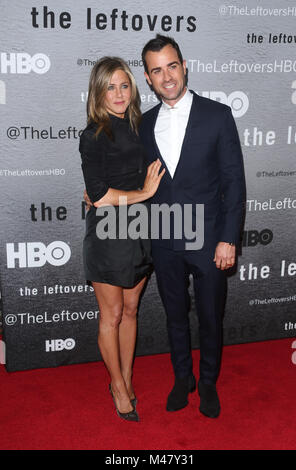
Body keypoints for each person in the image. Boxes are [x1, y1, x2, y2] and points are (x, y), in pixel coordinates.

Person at [139, 35, 246, 418]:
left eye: (171, 66)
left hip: (209, 241)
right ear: (148, 79)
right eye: (156, 70)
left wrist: (228, 239)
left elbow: (234, 181)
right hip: (164, 240)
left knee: (210, 316)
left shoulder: (217, 115)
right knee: (174, 315)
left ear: (185, 66)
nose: (166, 76)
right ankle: (182, 378)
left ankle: (208, 383)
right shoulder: (144, 123)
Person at [79, 56, 165, 422]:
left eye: (124, 85)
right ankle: (116, 386)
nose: (118, 93)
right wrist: (142, 194)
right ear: (98, 93)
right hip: (108, 234)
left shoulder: (143, 127)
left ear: (133, 88)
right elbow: (98, 197)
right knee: (111, 315)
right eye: (110, 87)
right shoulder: (93, 135)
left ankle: (127, 377)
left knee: (131, 310)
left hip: (141, 231)